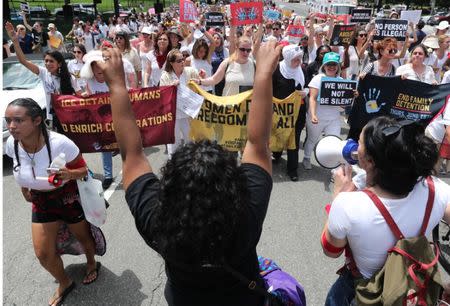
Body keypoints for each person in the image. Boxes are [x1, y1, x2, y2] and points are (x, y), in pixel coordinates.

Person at [95, 40, 281, 305]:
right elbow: (258, 144)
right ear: (234, 186)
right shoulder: (246, 216)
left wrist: (115, 85)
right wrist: (263, 74)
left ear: (169, 185)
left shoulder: (158, 222)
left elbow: (132, 155)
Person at [321, 116, 450, 305]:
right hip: (412, 287)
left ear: (370, 161)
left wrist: (338, 197)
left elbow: (331, 250)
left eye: (360, 142)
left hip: (363, 290)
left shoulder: (347, 204)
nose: (356, 147)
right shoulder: (437, 190)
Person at [4, 98, 100, 306]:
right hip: (41, 202)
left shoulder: (60, 143)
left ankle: (91, 262)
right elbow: (21, 169)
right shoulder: (11, 144)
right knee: (43, 254)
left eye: (18, 120)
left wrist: (69, 174)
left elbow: (84, 170)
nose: (11, 126)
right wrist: (24, 188)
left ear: (37, 120)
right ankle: (65, 282)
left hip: (67, 198)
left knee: (83, 237)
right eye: (8, 120)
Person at [5, 21, 81, 131]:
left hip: (69, 117)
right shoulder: (43, 73)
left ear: (59, 63)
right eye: (46, 61)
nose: (48, 64)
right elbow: (23, 61)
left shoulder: (70, 78)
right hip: (52, 118)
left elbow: (79, 96)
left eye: (51, 61)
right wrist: (15, 42)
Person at [272, 45, 307, 181]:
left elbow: (309, 86)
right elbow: (270, 89)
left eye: (299, 59)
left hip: (297, 113)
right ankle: (277, 153)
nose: (298, 62)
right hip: (279, 113)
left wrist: (306, 92)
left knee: (294, 140)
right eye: (295, 60)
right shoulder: (276, 70)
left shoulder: (302, 70)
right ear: (287, 58)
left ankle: (292, 169)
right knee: (278, 133)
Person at [303, 52, 344, 170]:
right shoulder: (318, 78)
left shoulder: (341, 80)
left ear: (338, 67)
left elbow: (343, 104)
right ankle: (306, 157)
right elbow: (312, 98)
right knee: (312, 139)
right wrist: (313, 114)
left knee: (334, 143)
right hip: (318, 117)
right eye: (328, 64)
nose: (331, 67)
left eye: (334, 64)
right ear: (324, 66)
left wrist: (350, 96)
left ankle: (334, 169)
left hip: (334, 118)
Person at [159, 49, 199, 158]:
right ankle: (172, 167)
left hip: (188, 114)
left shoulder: (190, 71)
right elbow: (162, 96)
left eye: (183, 59)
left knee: (190, 142)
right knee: (173, 144)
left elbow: (200, 84)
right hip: (173, 115)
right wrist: (172, 86)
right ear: (171, 63)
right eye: (179, 60)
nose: (182, 62)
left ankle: (191, 165)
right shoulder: (165, 76)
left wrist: (201, 77)